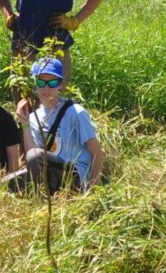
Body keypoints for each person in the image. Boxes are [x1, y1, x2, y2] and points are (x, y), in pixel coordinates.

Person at [7, 58, 104, 194]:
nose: (46, 88)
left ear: (60, 85)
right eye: (41, 82)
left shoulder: (76, 113)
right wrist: (25, 124)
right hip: (50, 174)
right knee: (4, 184)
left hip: (75, 177)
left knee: (34, 158)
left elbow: (97, 152)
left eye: (52, 83)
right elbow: (32, 158)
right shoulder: (35, 117)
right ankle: (42, 196)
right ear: (34, 84)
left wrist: (93, 190)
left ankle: (43, 196)